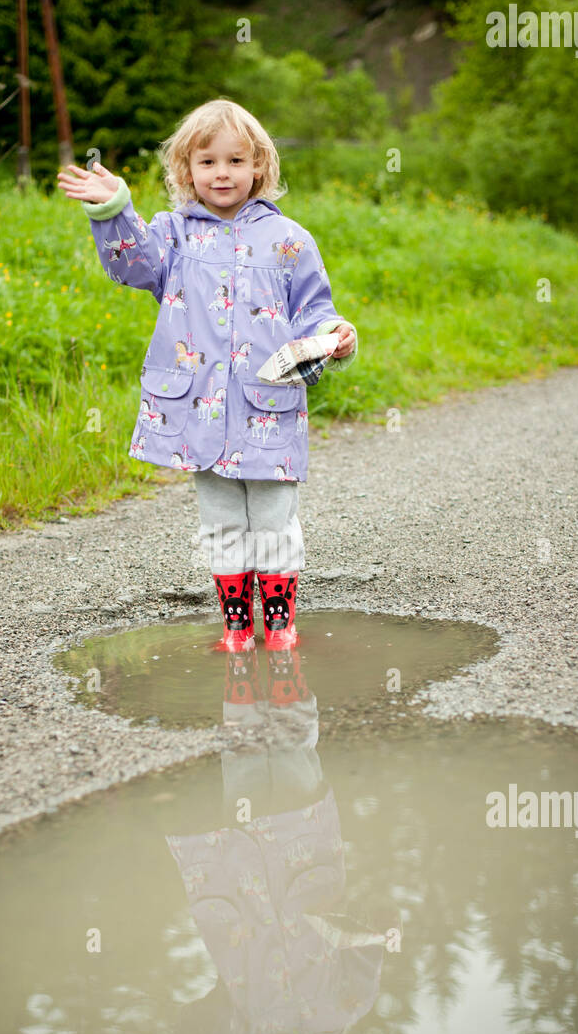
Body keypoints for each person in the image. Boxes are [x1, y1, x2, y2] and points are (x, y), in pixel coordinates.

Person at [57, 98, 358, 651]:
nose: (222, 173)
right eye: (208, 162)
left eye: (236, 161)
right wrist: (114, 209)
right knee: (220, 524)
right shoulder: (171, 235)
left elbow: (315, 310)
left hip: (269, 410)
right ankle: (237, 630)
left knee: (273, 522)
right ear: (185, 170)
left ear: (259, 168)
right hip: (200, 414)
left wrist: (337, 333)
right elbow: (132, 265)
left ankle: (282, 628)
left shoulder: (289, 239)